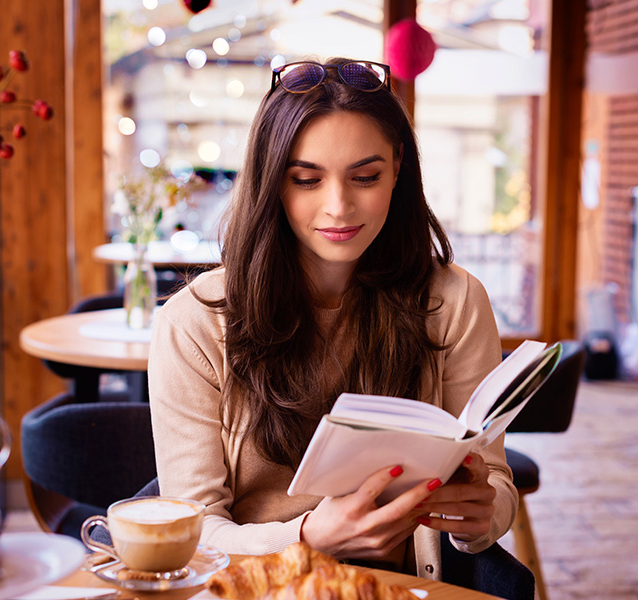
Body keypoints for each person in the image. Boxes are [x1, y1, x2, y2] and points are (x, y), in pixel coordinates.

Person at [148, 58, 518, 582]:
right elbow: (192, 531)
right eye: (306, 180)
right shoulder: (194, 324)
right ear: (272, 183)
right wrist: (307, 538)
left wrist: (483, 513)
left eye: (366, 177)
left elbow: (495, 479)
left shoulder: (453, 302)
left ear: (398, 171)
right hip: (257, 588)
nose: (339, 206)